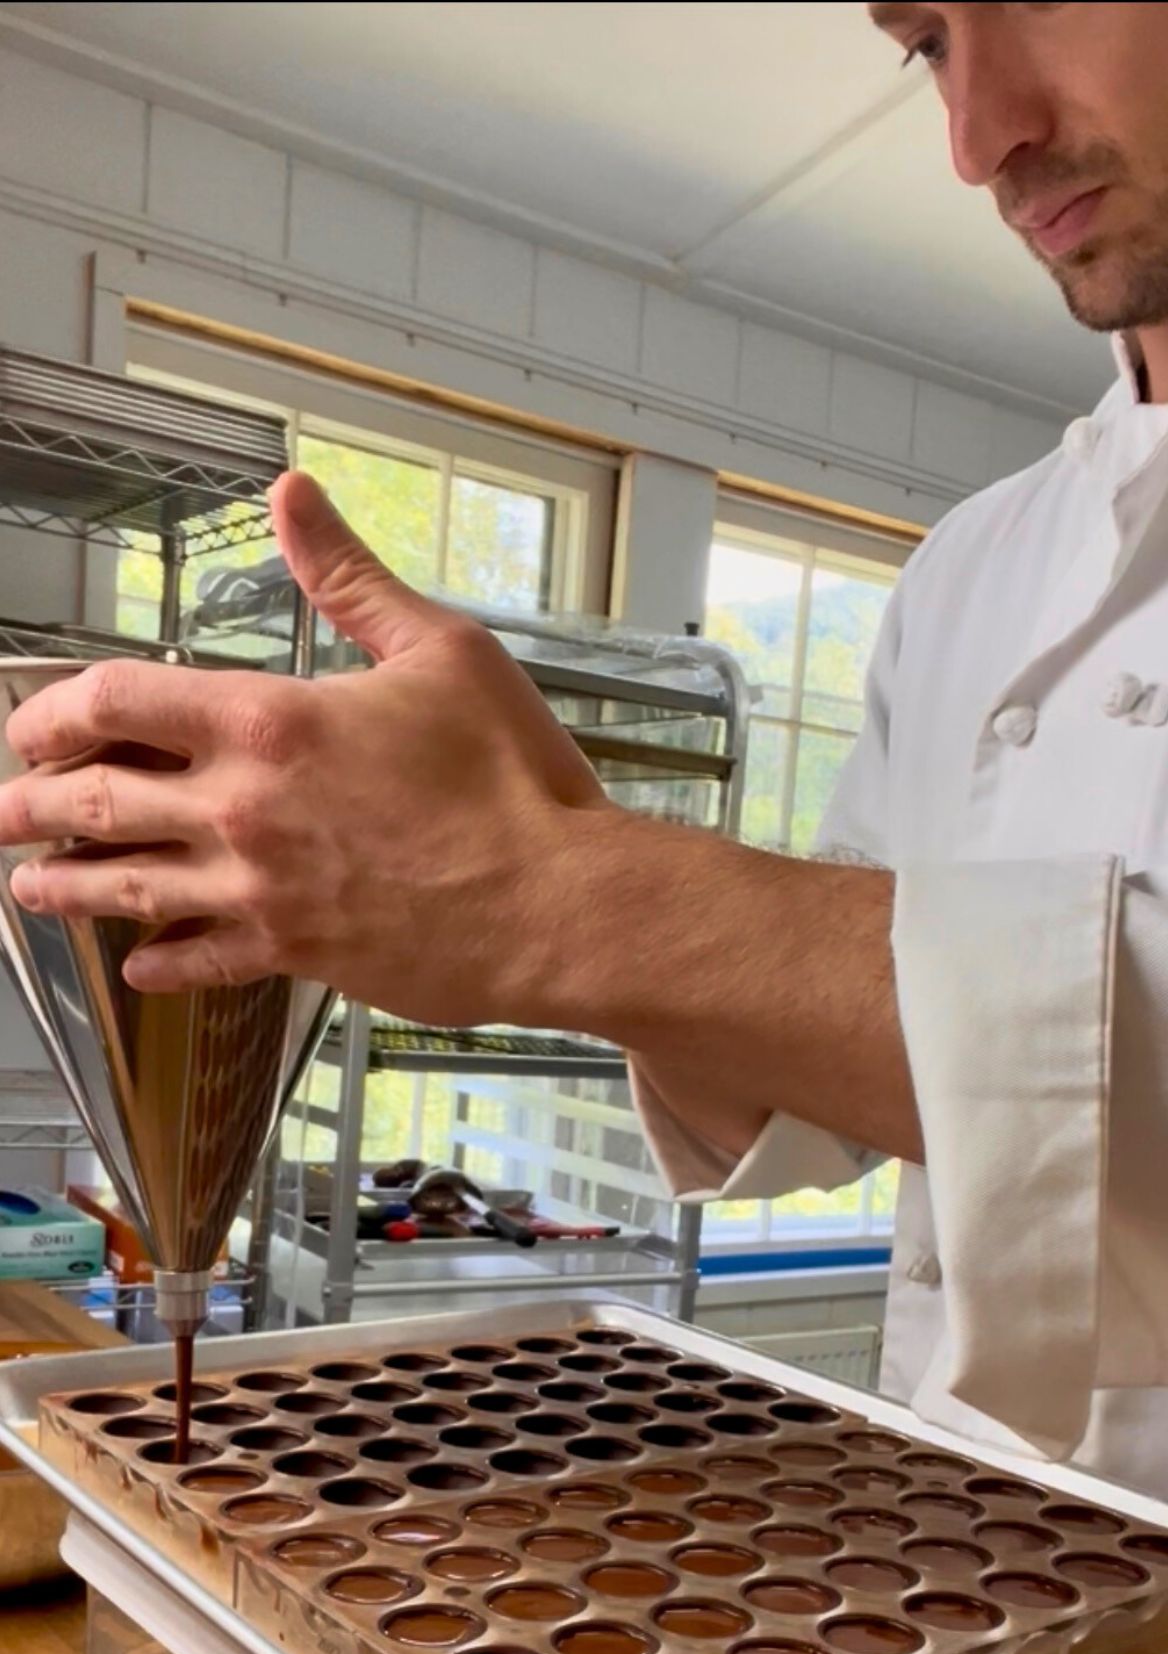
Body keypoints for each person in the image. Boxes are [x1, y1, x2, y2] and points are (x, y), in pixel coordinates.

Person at [2, 0, 1168, 1492]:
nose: (974, 133)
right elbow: (841, 1066)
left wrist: (564, 897)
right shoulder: (973, 565)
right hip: (972, 1549)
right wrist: (563, 857)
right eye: (926, 39)